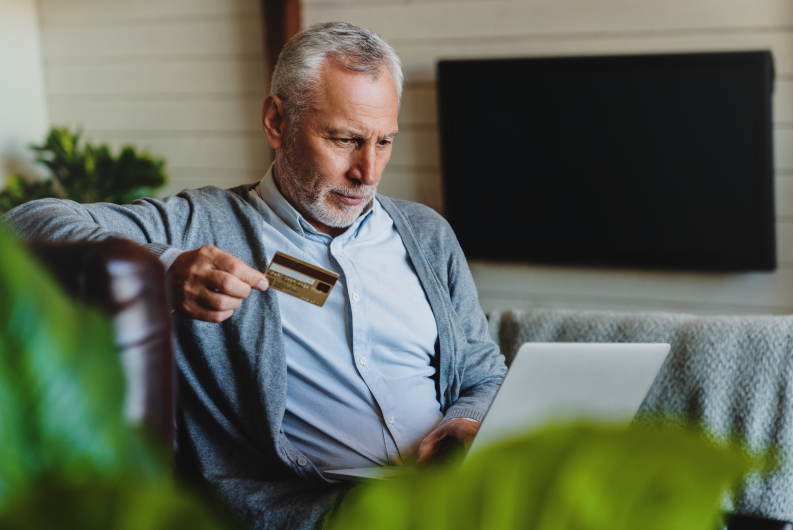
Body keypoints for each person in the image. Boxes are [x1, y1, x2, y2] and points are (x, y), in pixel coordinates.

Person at [4, 22, 507, 530]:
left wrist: (465, 423)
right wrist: (162, 271)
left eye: (384, 142)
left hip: (453, 501)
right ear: (275, 121)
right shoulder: (202, 225)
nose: (368, 172)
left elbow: (484, 375)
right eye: (345, 139)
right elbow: (22, 227)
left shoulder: (426, 233)